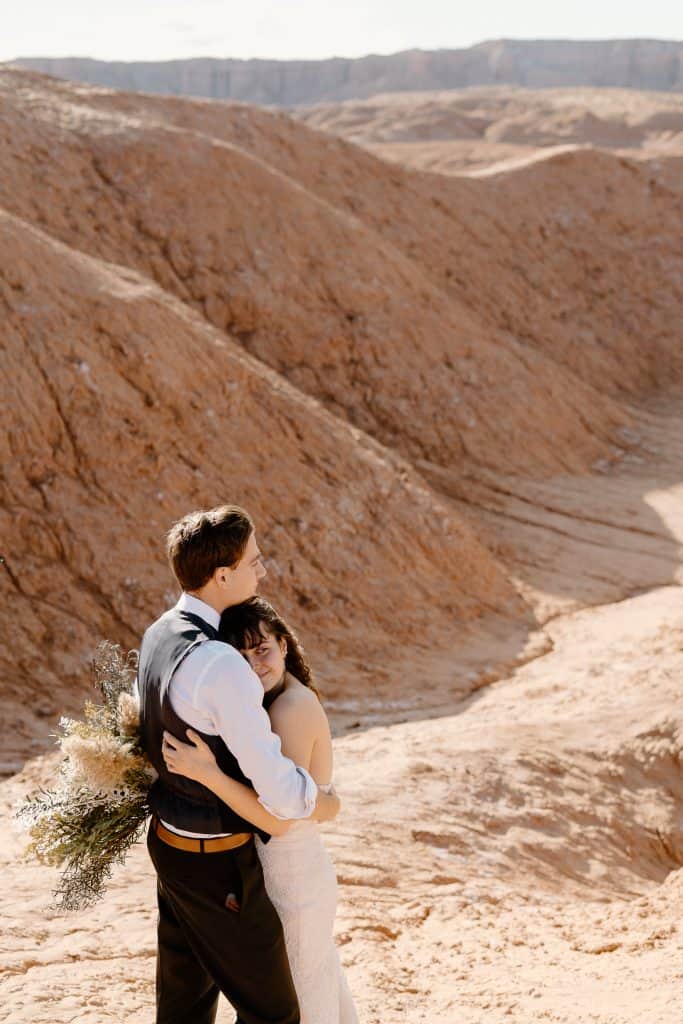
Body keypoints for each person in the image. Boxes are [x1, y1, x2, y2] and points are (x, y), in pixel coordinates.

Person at [137, 505, 341, 1024]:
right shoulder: (223, 664)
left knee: (185, 1002)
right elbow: (283, 796)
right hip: (218, 861)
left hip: (168, 846)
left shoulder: (159, 632)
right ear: (222, 574)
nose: (262, 571)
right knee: (272, 1012)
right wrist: (326, 801)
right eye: (254, 562)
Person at [162, 596, 359, 1024]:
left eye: (263, 650)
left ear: (284, 645)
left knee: (298, 1001)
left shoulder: (289, 709)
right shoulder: (267, 704)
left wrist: (208, 774)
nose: (254, 665)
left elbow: (278, 821)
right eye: (241, 656)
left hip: (292, 879)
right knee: (306, 988)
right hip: (277, 873)